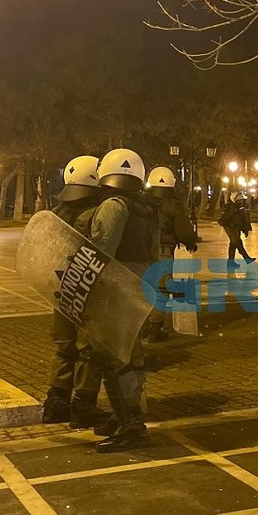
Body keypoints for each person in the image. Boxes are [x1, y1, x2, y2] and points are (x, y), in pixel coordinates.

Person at [88, 148, 162, 453]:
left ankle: (132, 427)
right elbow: (154, 252)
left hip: (116, 287)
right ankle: (125, 418)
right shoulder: (147, 209)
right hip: (141, 283)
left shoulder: (113, 206)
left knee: (116, 358)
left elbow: (100, 250)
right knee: (131, 356)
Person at [42, 155, 111, 429]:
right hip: (88, 292)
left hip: (61, 291)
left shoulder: (56, 214)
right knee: (88, 350)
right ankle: (84, 405)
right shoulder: (96, 214)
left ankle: (56, 402)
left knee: (64, 347)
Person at [144, 166, 197, 344]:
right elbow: (183, 230)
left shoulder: (142, 203)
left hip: (143, 252)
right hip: (164, 252)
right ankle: (154, 328)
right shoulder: (174, 205)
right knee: (161, 289)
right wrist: (190, 242)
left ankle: (143, 326)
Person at [218, 193, 254, 267]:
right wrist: (234, 211)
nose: (241, 202)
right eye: (239, 201)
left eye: (242, 201)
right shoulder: (229, 207)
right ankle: (246, 259)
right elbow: (222, 219)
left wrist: (245, 230)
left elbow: (243, 220)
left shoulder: (241, 209)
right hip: (230, 228)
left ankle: (231, 262)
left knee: (233, 245)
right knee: (238, 243)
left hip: (236, 229)